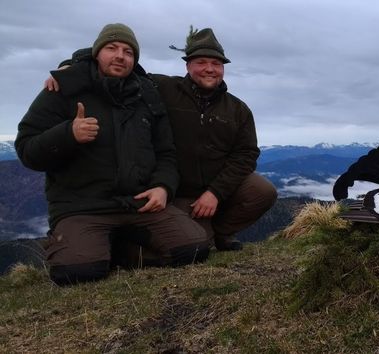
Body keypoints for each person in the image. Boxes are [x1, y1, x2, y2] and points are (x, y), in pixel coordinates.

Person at [46, 27, 278, 252]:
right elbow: (120, 63)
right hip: (175, 195)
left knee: (261, 190)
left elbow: (246, 155)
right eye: (201, 62)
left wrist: (215, 193)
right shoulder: (161, 88)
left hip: (216, 191)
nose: (210, 69)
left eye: (216, 63)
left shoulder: (238, 109)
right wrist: (72, 64)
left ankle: (221, 232)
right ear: (188, 65)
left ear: (223, 68)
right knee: (194, 246)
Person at [17, 23, 209, 285]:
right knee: (77, 272)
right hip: (82, 207)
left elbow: (166, 152)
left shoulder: (147, 94)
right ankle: (86, 246)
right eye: (112, 48)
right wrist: (68, 134)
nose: (120, 56)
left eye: (128, 52)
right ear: (96, 53)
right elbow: (27, 150)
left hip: (138, 203)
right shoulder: (63, 89)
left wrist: (163, 187)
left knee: (195, 248)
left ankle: (116, 249)